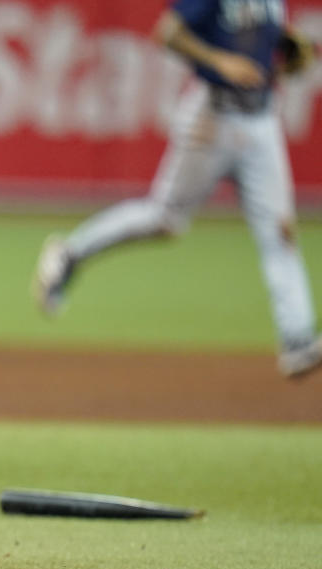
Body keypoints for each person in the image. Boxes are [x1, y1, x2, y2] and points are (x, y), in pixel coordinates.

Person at [32, 0, 321, 378]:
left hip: (261, 120)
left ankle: (297, 339)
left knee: (280, 235)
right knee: (165, 218)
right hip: (211, 118)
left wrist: (283, 50)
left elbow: (261, 43)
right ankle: (70, 253)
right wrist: (218, 61)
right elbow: (167, 33)